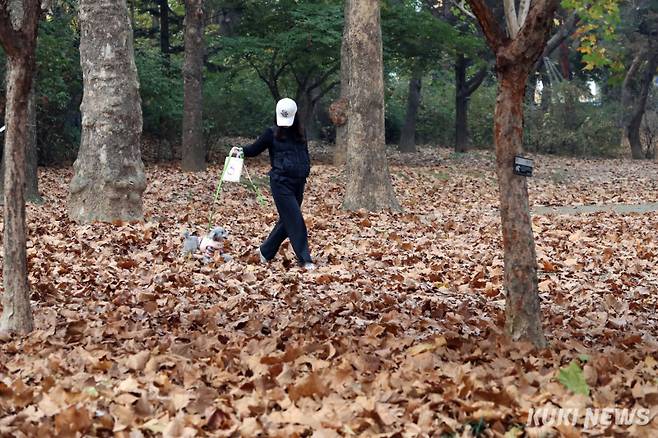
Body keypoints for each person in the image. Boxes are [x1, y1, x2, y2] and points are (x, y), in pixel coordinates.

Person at [240, 98, 315, 270]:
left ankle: (265, 252)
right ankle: (305, 258)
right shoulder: (271, 133)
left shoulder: (301, 133)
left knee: (287, 221)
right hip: (281, 183)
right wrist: (240, 150)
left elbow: (304, 154)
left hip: (299, 181)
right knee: (295, 219)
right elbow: (254, 149)